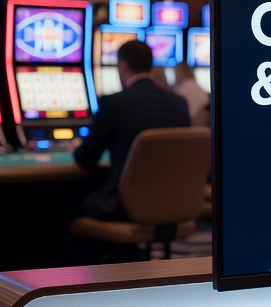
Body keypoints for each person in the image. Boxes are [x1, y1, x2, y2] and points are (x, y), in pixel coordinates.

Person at [73, 39, 192, 221]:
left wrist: (76, 146)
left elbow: (86, 159)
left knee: (63, 206)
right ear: (151, 66)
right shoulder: (179, 104)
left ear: (122, 66)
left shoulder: (112, 103)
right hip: (172, 201)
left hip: (123, 205)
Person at [172, 60, 211, 127]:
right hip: (206, 128)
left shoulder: (182, 90)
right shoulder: (196, 85)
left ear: (178, 73)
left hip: (193, 127)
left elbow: (186, 116)